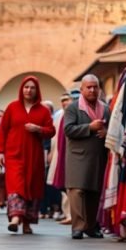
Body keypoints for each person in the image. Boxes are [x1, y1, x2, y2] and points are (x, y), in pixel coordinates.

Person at [0, 76, 56, 234]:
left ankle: (27, 223)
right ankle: (16, 217)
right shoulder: (12, 108)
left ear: (37, 91)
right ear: (21, 89)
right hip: (13, 155)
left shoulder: (43, 111)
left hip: (34, 157)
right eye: (26, 87)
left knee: (31, 186)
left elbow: (51, 131)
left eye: (32, 88)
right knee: (16, 185)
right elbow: (3, 130)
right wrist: (0, 152)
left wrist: (38, 129)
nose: (28, 90)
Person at [63, 75, 110, 239]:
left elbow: (112, 130)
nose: (92, 90)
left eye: (95, 87)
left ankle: (91, 226)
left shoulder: (105, 108)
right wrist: (89, 127)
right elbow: (68, 130)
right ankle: (77, 227)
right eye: (88, 87)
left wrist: (106, 133)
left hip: (97, 156)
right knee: (76, 191)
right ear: (81, 89)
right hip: (77, 156)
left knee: (93, 192)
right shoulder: (73, 108)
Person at [49, 93, 72, 223]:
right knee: (62, 185)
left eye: (67, 100)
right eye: (62, 100)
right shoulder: (59, 116)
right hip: (58, 152)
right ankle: (67, 213)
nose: (65, 103)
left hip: (69, 153)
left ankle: (71, 215)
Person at [40, 101, 62, 219]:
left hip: (49, 153)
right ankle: (43, 209)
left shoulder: (54, 121)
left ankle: (55, 208)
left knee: (51, 184)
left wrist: (49, 153)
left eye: (47, 109)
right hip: (40, 153)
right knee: (42, 184)